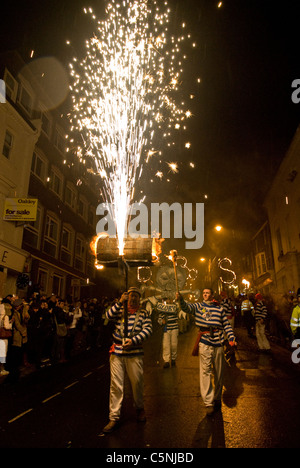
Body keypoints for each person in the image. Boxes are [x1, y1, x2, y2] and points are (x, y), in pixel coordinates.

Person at [176, 287, 236, 416]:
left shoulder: (219, 309)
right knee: (205, 372)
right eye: (203, 293)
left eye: (207, 293)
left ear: (212, 295)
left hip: (218, 343)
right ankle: (208, 402)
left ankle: (217, 397)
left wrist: (231, 338)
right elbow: (187, 308)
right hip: (205, 342)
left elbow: (226, 325)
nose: (205, 295)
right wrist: (181, 300)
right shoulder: (198, 306)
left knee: (219, 373)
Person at [102, 287, 153, 434]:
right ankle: (114, 417)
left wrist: (134, 340)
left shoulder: (143, 313)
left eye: (136, 296)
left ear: (139, 298)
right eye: (131, 296)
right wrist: (119, 302)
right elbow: (107, 315)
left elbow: (148, 330)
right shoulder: (119, 309)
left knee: (137, 382)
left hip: (134, 352)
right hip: (117, 352)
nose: (133, 298)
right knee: (116, 385)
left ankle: (139, 408)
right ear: (127, 297)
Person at [157, 297, 179, 368]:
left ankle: (173, 359)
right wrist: (161, 321)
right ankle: (166, 361)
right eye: (165, 300)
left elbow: (177, 312)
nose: (167, 301)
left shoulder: (175, 306)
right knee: (166, 345)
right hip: (166, 328)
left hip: (174, 327)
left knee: (174, 344)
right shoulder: (162, 309)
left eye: (168, 299)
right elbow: (159, 319)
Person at [0, 303, 13, 375]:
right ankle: (1, 369)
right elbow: (6, 326)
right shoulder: (6, 316)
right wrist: (11, 324)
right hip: (3, 337)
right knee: (3, 354)